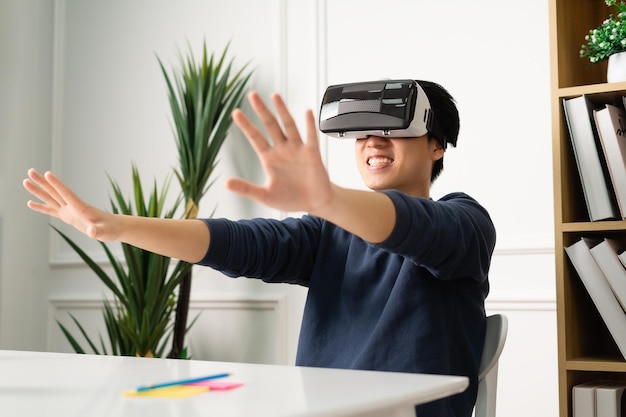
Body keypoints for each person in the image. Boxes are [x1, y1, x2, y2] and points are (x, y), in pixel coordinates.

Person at [23, 80, 496, 417]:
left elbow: (416, 227)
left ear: (438, 146)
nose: (373, 141)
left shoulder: (465, 224)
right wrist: (114, 226)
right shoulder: (328, 233)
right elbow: (240, 242)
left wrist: (326, 199)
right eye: (362, 131)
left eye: (393, 128)